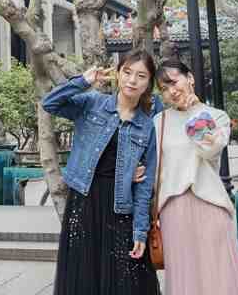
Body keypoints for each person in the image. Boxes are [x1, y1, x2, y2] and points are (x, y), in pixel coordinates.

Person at [42, 51, 160, 295]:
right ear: (117, 73)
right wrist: (83, 81)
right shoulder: (92, 103)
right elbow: (50, 103)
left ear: (149, 83)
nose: (132, 80)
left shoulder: (147, 125)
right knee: (83, 273)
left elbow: (145, 186)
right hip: (84, 201)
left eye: (141, 76)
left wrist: (140, 230)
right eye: (127, 72)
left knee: (126, 278)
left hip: (120, 206)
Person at [153, 58, 238, 295]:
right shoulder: (159, 121)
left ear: (190, 78)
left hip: (210, 202)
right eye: (164, 89)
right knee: (184, 275)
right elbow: (155, 168)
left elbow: (210, 149)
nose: (171, 92)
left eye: (174, 82)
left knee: (217, 274)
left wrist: (196, 114)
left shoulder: (216, 116)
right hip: (173, 208)